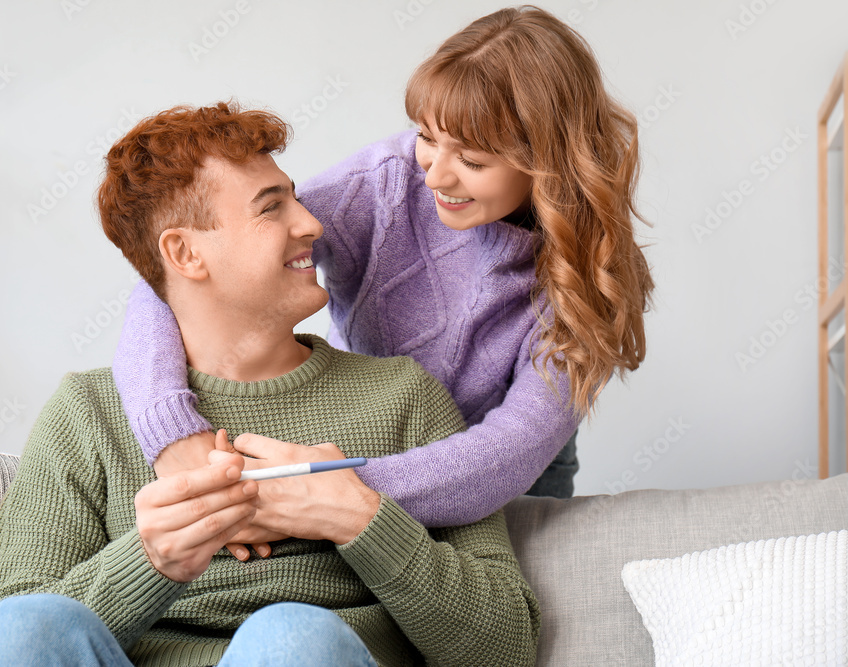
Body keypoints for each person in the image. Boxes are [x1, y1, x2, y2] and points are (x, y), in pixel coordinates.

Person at [0, 102, 540, 667]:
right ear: (184, 253)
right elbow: (11, 635)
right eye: (271, 208)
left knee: (291, 638)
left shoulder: (404, 397)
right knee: (25, 625)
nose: (312, 224)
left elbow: (506, 646)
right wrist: (151, 560)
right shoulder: (88, 414)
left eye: (297, 200)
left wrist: (359, 518)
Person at [113, 6, 655, 559]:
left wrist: (329, 492)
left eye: (470, 159)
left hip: (500, 475)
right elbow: (172, 280)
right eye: (427, 136)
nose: (436, 175)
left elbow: (506, 454)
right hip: (373, 438)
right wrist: (174, 435)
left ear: (547, 161)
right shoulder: (387, 186)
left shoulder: (588, 276)